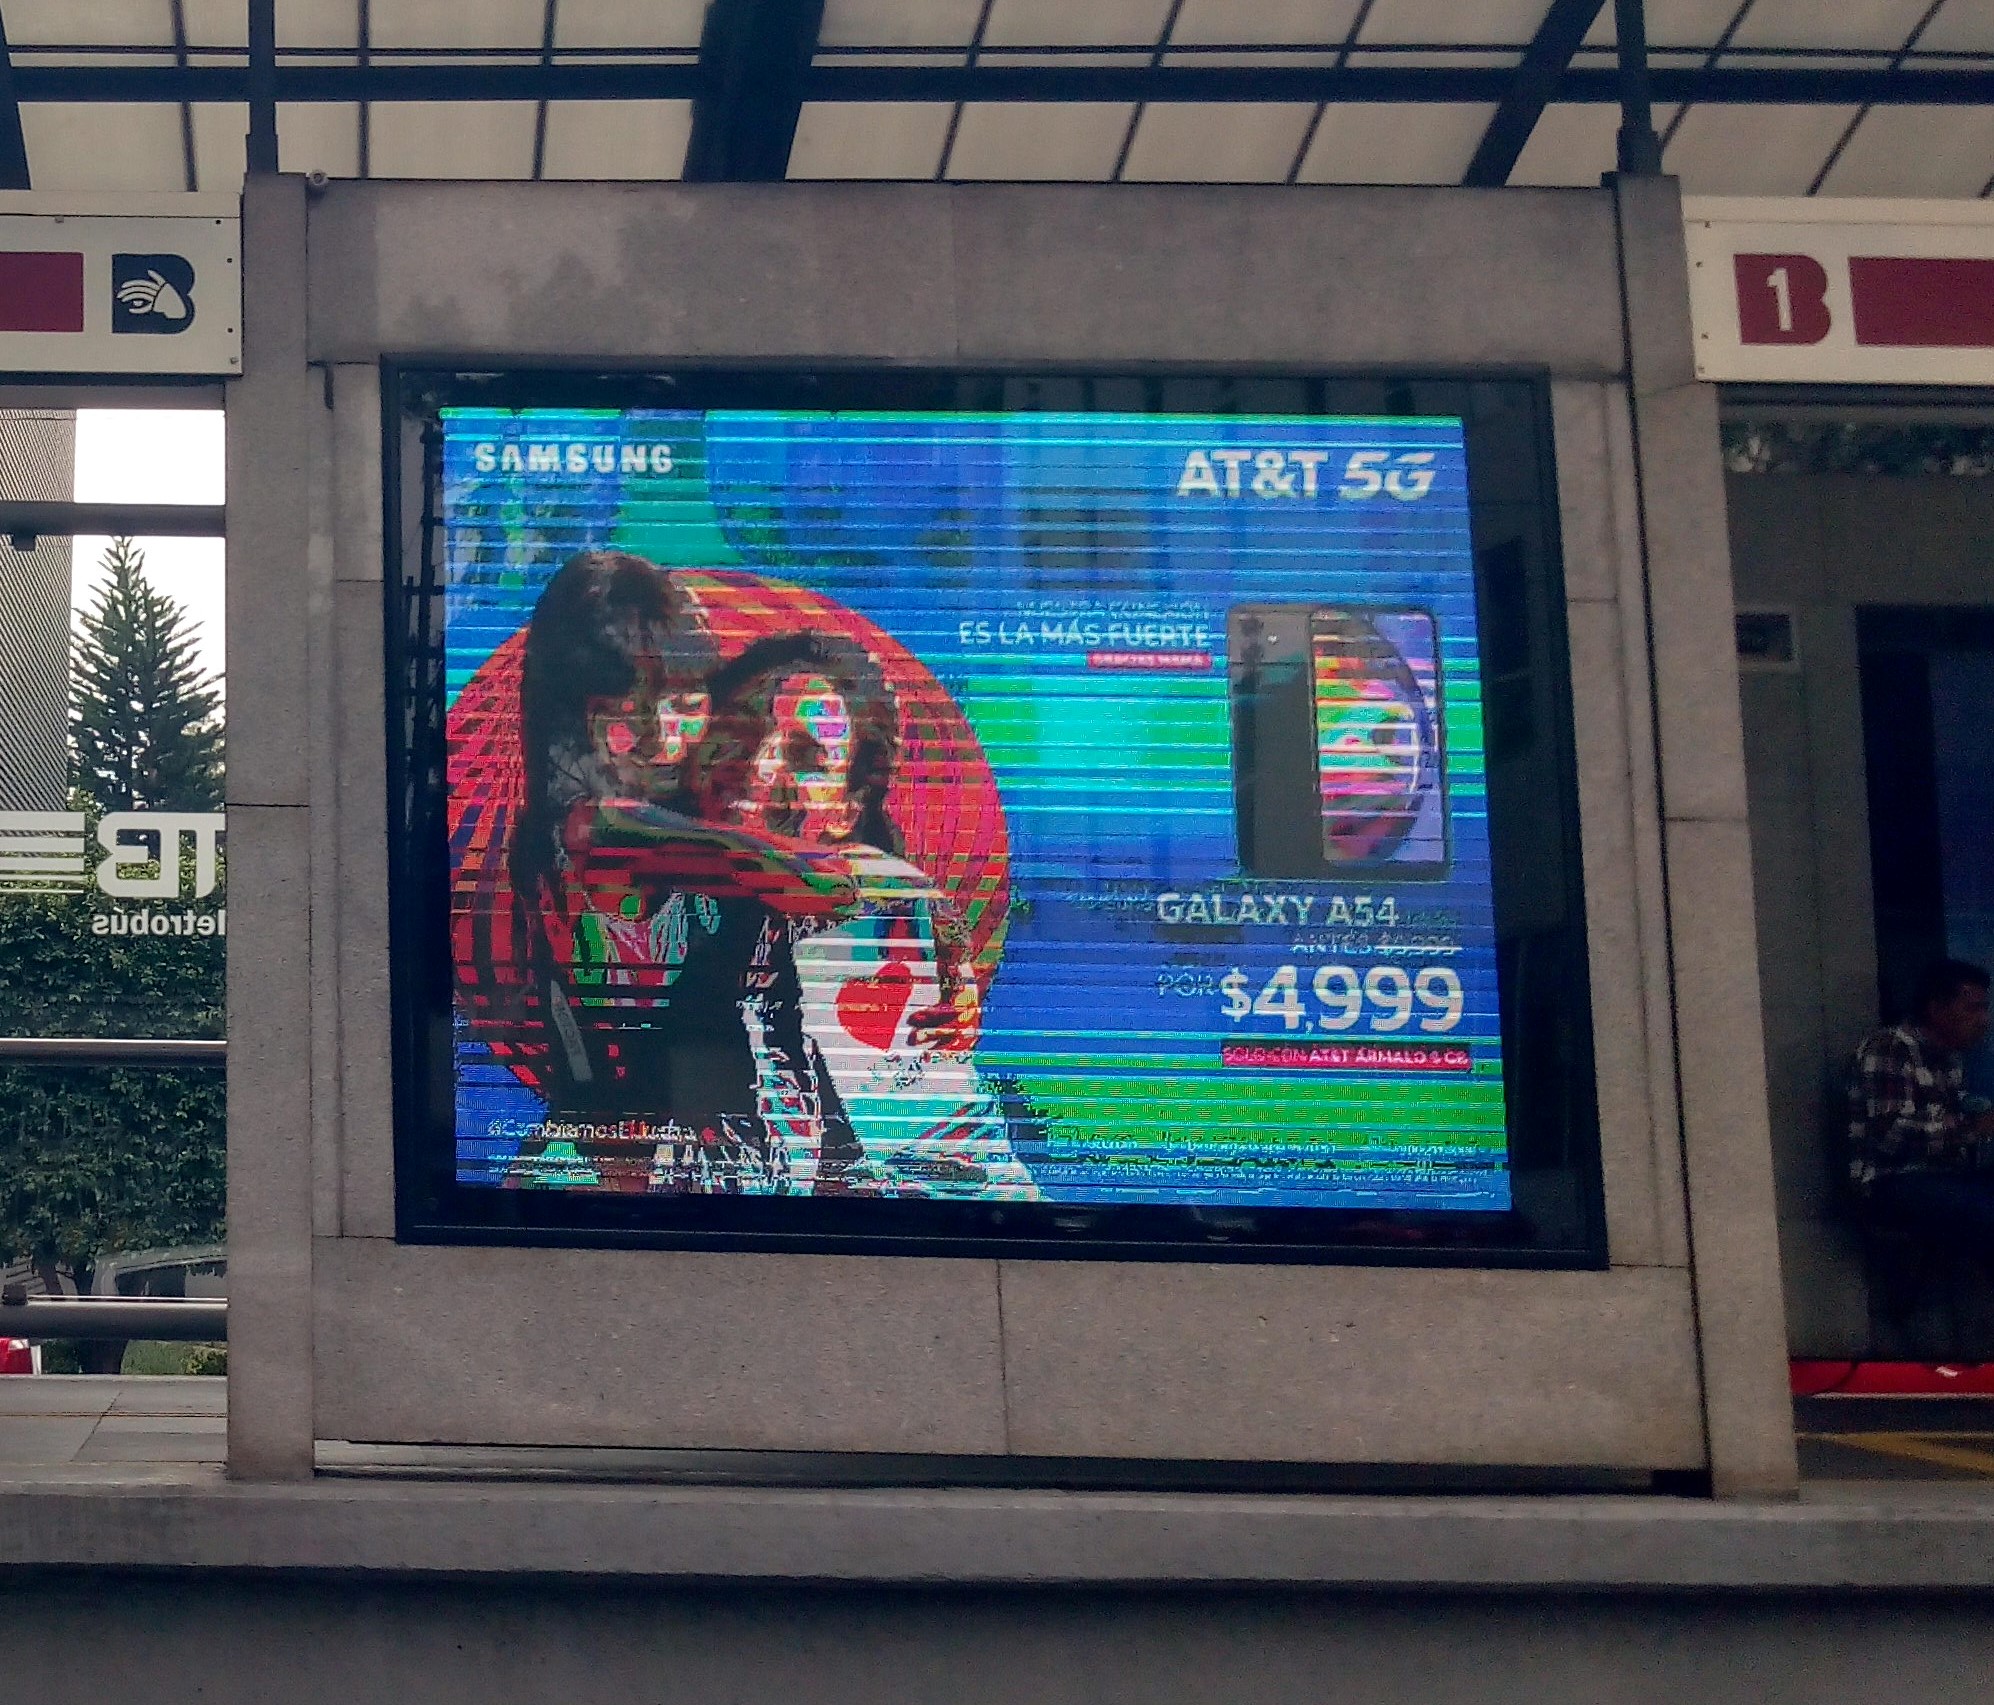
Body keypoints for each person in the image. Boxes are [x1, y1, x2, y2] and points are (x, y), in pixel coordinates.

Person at [503, 551, 861, 1194]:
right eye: (622, 712)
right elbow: (813, 882)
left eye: (685, 702)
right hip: (607, 1172)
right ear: (572, 716)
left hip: (709, 1164)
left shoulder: (681, 825)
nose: (660, 737)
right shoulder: (587, 829)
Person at [697, 631, 1037, 1200]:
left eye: (805, 757)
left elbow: (958, 1174)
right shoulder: (648, 906)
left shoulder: (871, 927)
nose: (760, 768)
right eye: (744, 735)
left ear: (847, 808)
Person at [1846, 957, 1994, 1255]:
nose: (1983, 1020)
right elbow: (1890, 1136)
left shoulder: (1951, 1059)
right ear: (1936, 1009)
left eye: (1984, 1009)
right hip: (1890, 1183)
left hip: (1944, 1176)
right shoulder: (1890, 1047)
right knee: (1980, 1212)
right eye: (1972, 1009)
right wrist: (1974, 1127)